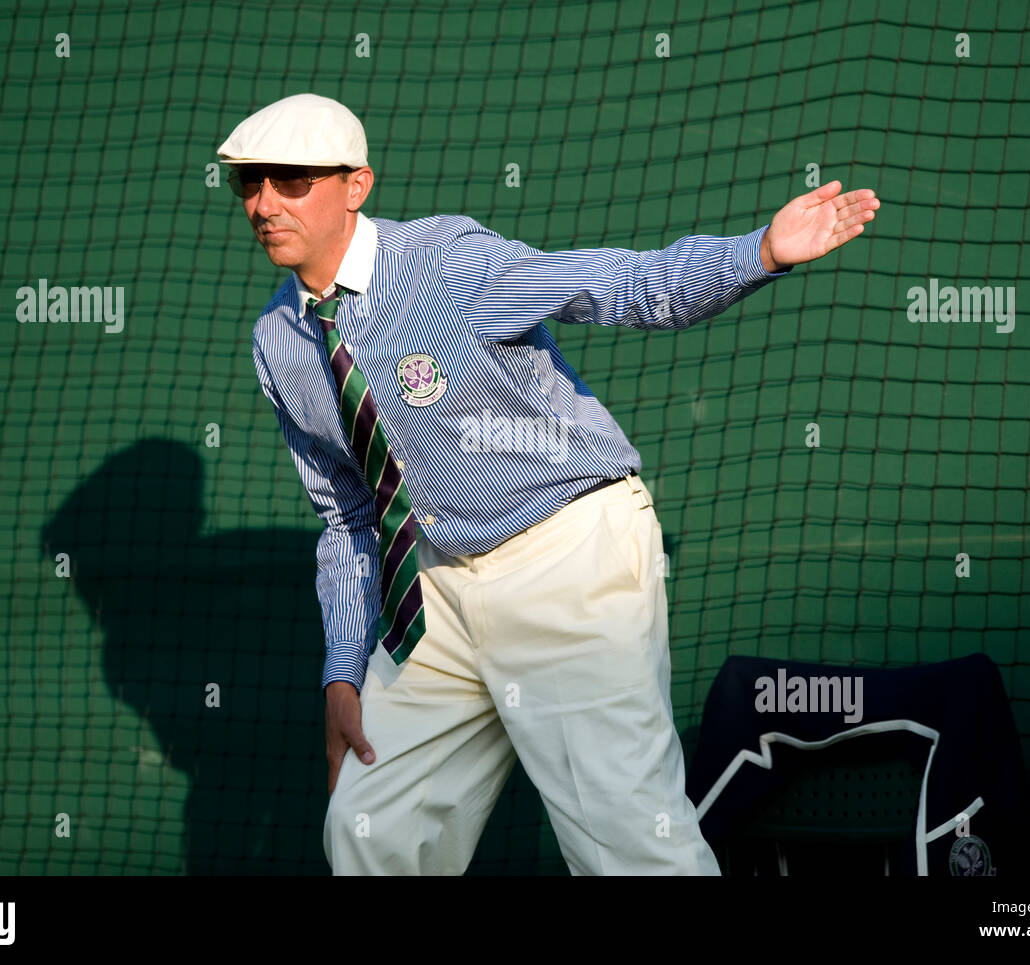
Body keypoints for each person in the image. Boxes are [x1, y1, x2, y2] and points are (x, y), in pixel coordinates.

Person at [218, 92, 879, 875]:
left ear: (355, 186)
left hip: (567, 553)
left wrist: (759, 252)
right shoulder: (280, 340)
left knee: (628, 843)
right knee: (369, 828)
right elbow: (348, 517)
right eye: (249, 183)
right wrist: (342, 668)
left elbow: (616, 283)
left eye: (290, 181)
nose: (264, 203)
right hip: (434, 591)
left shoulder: (446, 264)